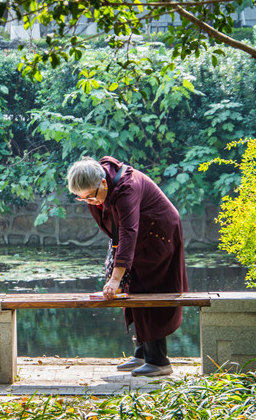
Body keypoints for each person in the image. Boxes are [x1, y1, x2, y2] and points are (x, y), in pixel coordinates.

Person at [66, 156, 188, 377]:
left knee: (147, 288)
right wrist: (117, 269)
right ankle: (142, 353)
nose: (90, 202)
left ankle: (159, 361)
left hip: (158, 234)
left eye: (91, 198)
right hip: (140, 235)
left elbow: (128, 233)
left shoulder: (126, 187)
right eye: (82, 199)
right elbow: (115, 232)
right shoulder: (100, 187)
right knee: (132, 287)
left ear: (103, 183)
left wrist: (115, 278)